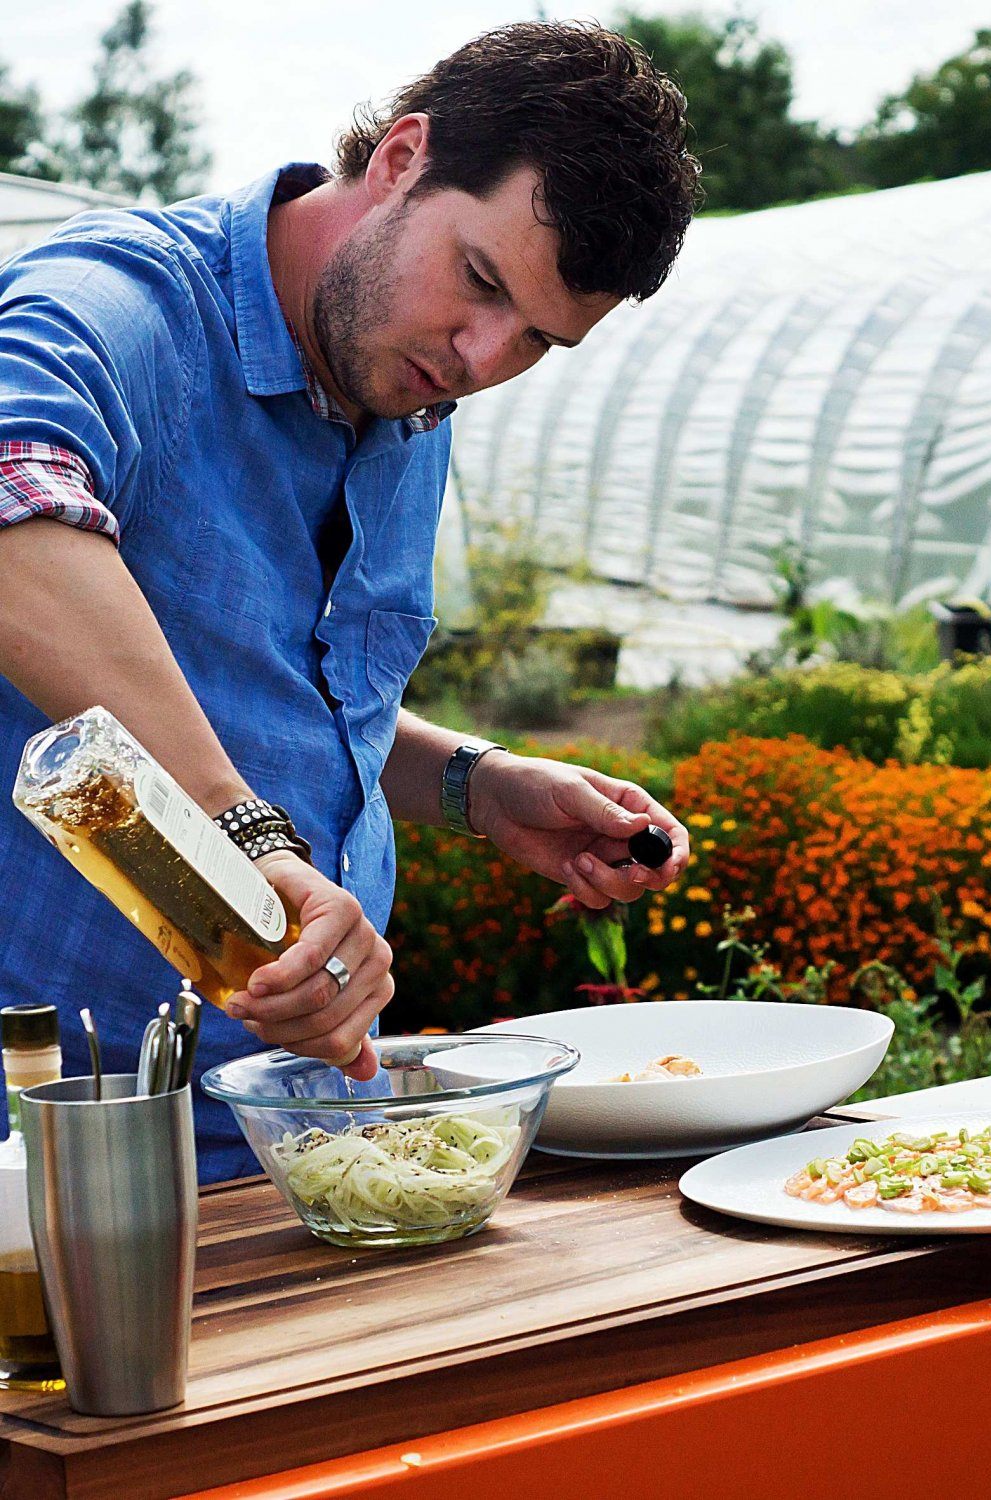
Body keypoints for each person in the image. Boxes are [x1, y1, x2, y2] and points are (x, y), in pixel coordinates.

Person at [0, 21, 699, 1181]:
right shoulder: (117, 304)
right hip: (48, 1162)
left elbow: (280, 701)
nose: (482, 355)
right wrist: (243, 839)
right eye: (480, 281)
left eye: (537, 337)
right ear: (405, 156)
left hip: (290, 1139)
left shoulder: (408, 398)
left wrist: (476, 786)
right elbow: (13, 507)